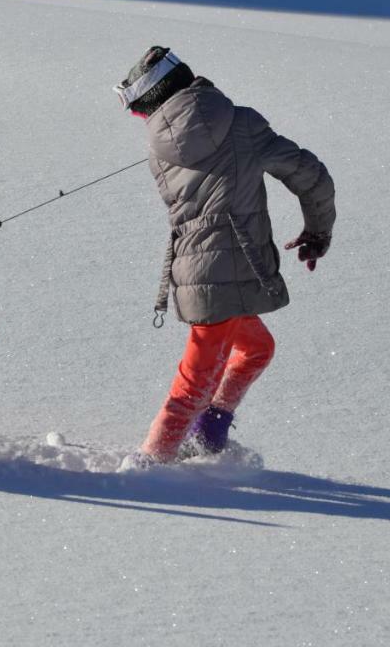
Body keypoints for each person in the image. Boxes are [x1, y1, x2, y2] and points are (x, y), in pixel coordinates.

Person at [114, 46, 336, 464]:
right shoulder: (243, 124)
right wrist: (317, 230)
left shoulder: (159, 148)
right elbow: (312, 176)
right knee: (194, 381)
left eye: (140, 110)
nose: (140, 119)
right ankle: (152, 465)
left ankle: (207, 435)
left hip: (196, 274)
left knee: (255, 349)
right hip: (234, 269)